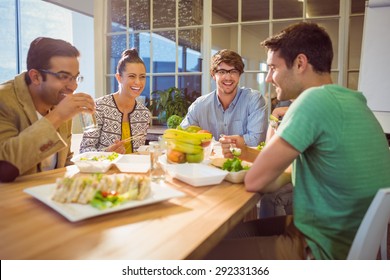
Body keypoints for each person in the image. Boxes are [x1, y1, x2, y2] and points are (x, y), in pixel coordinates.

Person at [206, 22, 390, 259]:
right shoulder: (355, 101)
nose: (269, 79)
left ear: (300, 63)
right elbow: (289, 168)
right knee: (225, 235)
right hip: (341, 238)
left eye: (273, 68)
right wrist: (250, 154)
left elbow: (254, 180)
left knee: (201, 254)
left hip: (316, 248)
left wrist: (264, 165)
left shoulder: (311, 101)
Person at [0, 37, 95, 182]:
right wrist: (57, 117)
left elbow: (64, 162)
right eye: (64, 77)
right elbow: (4, 168)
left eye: (75, 78)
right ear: (36, 77)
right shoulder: (4, 99)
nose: (73, 86)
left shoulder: (57, 101)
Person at [180, 49, 268, 147]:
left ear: (239, 75)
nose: (228, 77)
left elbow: (256, 140)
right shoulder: (199, 105)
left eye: (233, 71)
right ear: (213, 74)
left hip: (244, 162)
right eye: (222, 72)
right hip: (208, 162)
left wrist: (212, 143)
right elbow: (182, 136)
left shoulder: (254, 100)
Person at [80, 48, 151, 154]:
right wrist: (107, 153)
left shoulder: (144, 114)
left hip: (135, 169)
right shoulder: (96, 107)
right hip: (103, 170)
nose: (138, 82)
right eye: (132, 76)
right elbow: (84, 150)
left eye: (142, 77)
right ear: (119, 78)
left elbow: (138, 152)